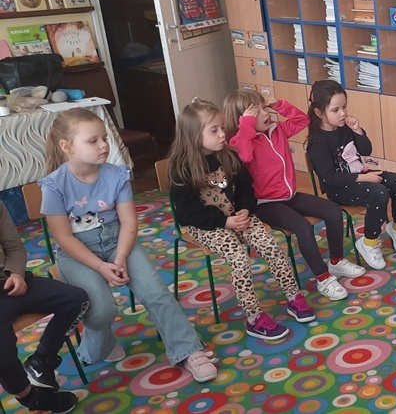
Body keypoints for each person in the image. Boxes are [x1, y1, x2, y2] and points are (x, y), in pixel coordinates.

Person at [38, 108, 218, 383]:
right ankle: (98, 346)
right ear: (67, 146)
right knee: (101, 309)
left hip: (119, 241)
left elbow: (129, 221)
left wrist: (120, 257)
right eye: (92, 140)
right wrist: (101, 266)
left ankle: (188, 350)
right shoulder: (53, 185)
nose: (103, 145)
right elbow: (64, 238)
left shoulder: (117, 174)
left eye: (104, 138)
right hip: (76, 253)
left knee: (156, 293)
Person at [167, 98, 313, 341]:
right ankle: (254, 318)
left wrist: (245, 208)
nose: (222, 134)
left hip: (236, 216)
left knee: (270, 245)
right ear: (193, 134)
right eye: (214, 130)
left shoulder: (228, 156)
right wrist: (224, 223)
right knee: (238, 257)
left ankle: (293, 297)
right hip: (204, 225)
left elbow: (246, 188)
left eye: (222, 128)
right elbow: (187, 213)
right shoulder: (182, 168)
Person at [223, 89, 364, 302]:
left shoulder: (277, 130)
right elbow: (244, 156)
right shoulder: (240, 141)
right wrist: (247, 127)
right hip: (265, 204)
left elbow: (302, 120)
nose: (265, 114)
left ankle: (336, 262)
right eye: (257, 112)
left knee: (333, 210)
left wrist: (279, 105)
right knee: (302, 226)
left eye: (264, 108)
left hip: (290, 195)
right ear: (243, 120)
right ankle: (323, 278)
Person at [305, 80, 396, 269]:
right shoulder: (317, 142)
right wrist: (365, 177)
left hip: (359, 175)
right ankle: (369, 242)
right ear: (319, 113)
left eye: (344, 107)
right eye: (336, 110)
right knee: (379, 193)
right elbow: (330, 177)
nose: (343, 113)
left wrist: (357, 130)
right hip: (338, 188)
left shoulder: (345, 128)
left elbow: (366, 150)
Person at [1, 201, 88, 413]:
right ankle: (30, 397)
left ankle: (41, 361)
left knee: (76, 299)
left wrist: (15, 273)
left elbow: (14, 247)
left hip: (9, 281)